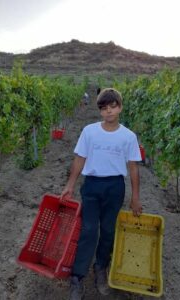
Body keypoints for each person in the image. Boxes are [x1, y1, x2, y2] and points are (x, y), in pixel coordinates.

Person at [61, 88, 142, 300]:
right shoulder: (89, 131)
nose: (109, 112)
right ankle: (77, 276)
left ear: (120, 107)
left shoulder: (128, 136)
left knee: (108, 231)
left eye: (112, 107)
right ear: (100, 111)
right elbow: (80, 159)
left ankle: (100, 269)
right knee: (88, 230)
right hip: (92, 186)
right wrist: (70, 185)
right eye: (104, 108)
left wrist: (135, 197)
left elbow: (133, 167)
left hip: (115, 187)